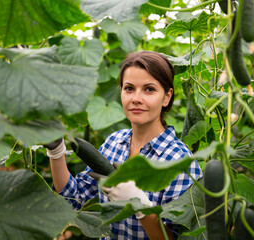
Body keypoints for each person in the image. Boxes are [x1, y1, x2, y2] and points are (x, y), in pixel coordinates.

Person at [45, 51, 202, 240]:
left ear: (167, 97)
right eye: (129, 88)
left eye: (149, 89)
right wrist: (56, 151)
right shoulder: (114, 143)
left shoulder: (181, 163)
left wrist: (141, 207)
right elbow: (73, 200)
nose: (136, 98)